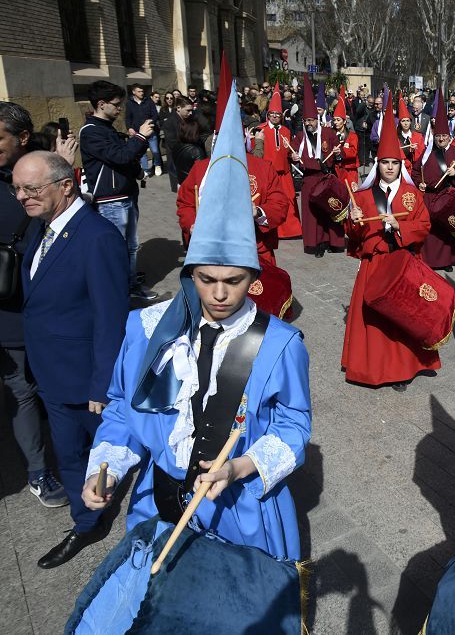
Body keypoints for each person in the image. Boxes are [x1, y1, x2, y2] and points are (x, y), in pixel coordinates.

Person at [82, 88, 311, 564]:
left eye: (235, 281)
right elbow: (124, 405)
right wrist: (103, 468)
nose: (221, 294)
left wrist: (244, 465)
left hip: (242, 505)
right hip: (158, 502)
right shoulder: (145, 328)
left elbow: (293, 424)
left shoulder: (282, 343)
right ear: (190, 275)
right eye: (207, 279)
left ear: (254, 278)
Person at [14, 150, 129, 568]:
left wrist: (102, 383)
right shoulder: (42, 227)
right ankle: (87, 520)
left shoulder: (97, 236)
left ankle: (94, 520)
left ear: (66, 186)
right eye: (18, 189)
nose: (23, 196)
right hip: (51, 370)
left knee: (104, 452)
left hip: (84, 377)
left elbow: (110, 316)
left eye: (32, 188)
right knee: (68, 453)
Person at [341, 92, 438, 389]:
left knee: (401, 316)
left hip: (404, 262)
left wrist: (400, 227)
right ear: (377, 164)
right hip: (374, 264)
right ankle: (371, 367)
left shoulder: (412, 195)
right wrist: (352, 220)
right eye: (384, 163)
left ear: (401, 165)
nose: (390, 168)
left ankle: (401, 369)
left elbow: (424, 225)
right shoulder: (362, 196)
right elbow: (354, 235)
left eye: (395, 163)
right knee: (372, 319)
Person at [0, 103, 68, 510]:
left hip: (36, 306)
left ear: (22, 138)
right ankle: (38, 470)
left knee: (32, 384)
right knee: (20, 391)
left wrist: (62, 179)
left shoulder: (37, 180)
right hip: (6, 311)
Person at [79, 80, 157, 300]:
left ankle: (130, 284)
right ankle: (117, 292)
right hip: (110, 200)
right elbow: (120, 156)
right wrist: (141, 137)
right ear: (101, 104)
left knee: (131, 247)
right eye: (116, 104)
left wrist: (139, 172)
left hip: (126, 195)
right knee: (116, 250)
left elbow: (124, 160)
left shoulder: (107, 128)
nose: (120, 107)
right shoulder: (90, 132)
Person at [413, 91, 455, 270]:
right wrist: (419, 182)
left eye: (444, 136)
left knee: (446, 230)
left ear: (449, 136)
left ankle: (446, 261)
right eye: (438, 136)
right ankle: (429, 261)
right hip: (429, 196)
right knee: (431, 231)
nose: (441, 139)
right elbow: (415, 171)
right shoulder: (426, 153)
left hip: (447, 195)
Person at [290, 74, 342, 257]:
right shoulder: (299, 137)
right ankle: (317, 244)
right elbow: (292, 153)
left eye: (311, 120)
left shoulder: (328, 133)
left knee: (330, 210)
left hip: (326, 178)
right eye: (306, 121)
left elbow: (338, 152)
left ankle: (333, 241)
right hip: (309, 180)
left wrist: (338, 154)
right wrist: (293, 156)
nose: (309, 123)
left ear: (317, 120)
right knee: (313, 215)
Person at [257, 86, 302, 239]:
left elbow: (287, 151)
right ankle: (272, 230)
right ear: (268, 115)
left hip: (285, 173)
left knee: (288, 200)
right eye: (272, 114)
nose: (275, 117)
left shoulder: (285, 131)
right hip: (268, 174)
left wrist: (293, 157)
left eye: (277, 114)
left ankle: (291, 231)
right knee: (270, 202)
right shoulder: (260, 130)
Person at [125, 84, 162, 179]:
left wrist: (150, 121)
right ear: (133, 92)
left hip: (150, 130)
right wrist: (129, 128)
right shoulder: (129, 103)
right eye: (139, 91)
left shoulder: (149, 101)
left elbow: (155, 115)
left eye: (142, 91)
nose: (142, 93)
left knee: (155, 151)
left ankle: (157, 164)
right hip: (138, 132)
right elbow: (128, 118)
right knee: (142, 153)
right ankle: (145, 170)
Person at [396, 92, 426, 175]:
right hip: (401, 171)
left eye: (407, 121)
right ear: (400, 123)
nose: (405, 123)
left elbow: (422, 155)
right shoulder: (396, 138)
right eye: (403, 121)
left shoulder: (418, 137)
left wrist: (415, 150)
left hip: (415, 172)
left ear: (410, 122)